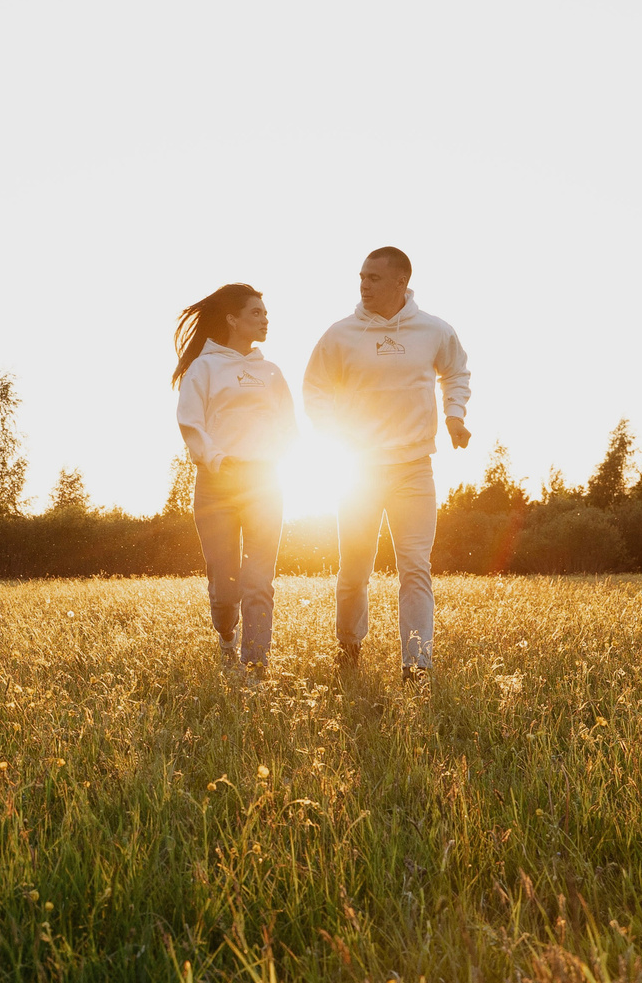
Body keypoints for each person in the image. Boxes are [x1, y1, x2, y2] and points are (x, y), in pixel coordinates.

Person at [302, 246, 470, 678]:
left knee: (415, 567)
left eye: (374, 278)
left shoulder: (433, 330)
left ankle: (417, 665)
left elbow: (456, 371)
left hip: (414, 468)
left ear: (401, 281)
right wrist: (332, 434)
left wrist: (454, 416)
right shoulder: (340, 334)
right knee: (354, 568)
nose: (364, 285)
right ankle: (349, 646)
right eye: (361, 276)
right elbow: (315, 388)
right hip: (357, 471)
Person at [173, 282, 296, 672]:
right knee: (225, 588)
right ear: (232, 320)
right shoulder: (204, 368)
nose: (265, 320)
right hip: (218, 485)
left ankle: (256, 669)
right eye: (255, 313)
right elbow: (190, 422)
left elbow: (288, 427)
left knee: (258, 581)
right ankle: (227, 636)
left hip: (264, 484)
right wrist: (216, 459)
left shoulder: (271, 372)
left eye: (265, 313)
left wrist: (278, 458)